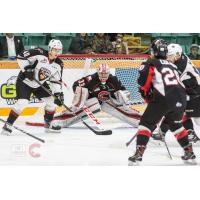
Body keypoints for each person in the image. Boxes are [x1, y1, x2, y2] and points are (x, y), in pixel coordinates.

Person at [128, 39, 196, 165]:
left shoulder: (149, 63)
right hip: (181, 99)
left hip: (164, 99)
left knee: (146, 124)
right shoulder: (173, 65)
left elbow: (143, 84)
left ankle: (139, 153)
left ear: (153, 51)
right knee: (175, 125)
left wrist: (148, 98)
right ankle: (188, 151)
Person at [1, 39, 64, 135]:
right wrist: (26, 69)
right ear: (50, 49)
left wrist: (58, 93)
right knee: (23, 102)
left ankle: (48, 123)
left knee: (51, 101)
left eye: (59, 50)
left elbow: (56, 81)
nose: (57, 52)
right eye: (55, 49)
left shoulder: (59, 64)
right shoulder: (39, 52)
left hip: (39, 84)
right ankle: (8, 124)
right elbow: (21, 56)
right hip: (25, 81)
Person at [51, 63, 141, 128]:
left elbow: (123, 90)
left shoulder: (114, 80)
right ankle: (59, 121)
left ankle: (140, 121)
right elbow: (75, 85)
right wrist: (80, 98)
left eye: (105, 74)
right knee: (77, 108)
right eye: (101, 74)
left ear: (109, 73)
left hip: (107, 103)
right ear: (98, 72)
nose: (103, 76)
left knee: (123, 108)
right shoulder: (91, 79)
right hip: (91, 102)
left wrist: (124, 98)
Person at [152, 43, 200, 143]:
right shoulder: (179, 58)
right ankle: (163, 133)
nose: (168, 58)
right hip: (188, 91)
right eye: (167, 56)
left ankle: (190, 133)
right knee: (174, 111)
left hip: (195, 93)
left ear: (178, 55)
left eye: (170, 56)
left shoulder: (180, 65)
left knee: (197, 119)